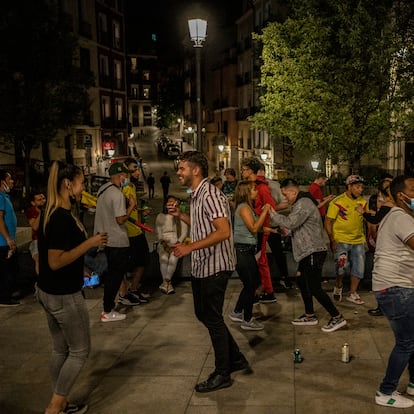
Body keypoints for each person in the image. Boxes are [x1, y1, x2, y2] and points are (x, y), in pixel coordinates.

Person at [171, 151, 250, 393]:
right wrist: (181, 215)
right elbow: (202, 224)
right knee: (203, 314)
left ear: (196, 170)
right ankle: (235, 358)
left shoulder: (210, 194)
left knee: (212, 317)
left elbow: (223, 231)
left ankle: (222, 372)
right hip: (202, 265)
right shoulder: (196, 195)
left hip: (215, 266)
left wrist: (189, 247)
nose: (178, 172)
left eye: (182, 168)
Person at [37, 161, 107, 414]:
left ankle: (61, 401)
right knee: (79, 351)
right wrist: (90, 243)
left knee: (61, 349)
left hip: (48, 290)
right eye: (81, 181)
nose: (84, 185)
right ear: (68, 184)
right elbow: (55, 261)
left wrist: (82, 267)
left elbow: (48, 257)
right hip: (63, 294)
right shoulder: (59, 219)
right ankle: (55, 406)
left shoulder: (52, 211)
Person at [269, 179, 347, 332]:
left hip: (313, 251)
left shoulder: (303, 202)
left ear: (293, 191)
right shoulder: (300, 203)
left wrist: (272, 212)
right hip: (306, 252)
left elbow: (291, 222)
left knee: (314, 287)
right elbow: (295, 227)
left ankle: (337, 317)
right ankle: (310, 314)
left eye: (286, 195)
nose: (285, 198)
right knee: (301, 281)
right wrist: (282, 231)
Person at [372, 175, 414, 409]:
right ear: (401, 195)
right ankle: (385, 391)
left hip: (398, 286)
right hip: (396, 288)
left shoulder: (403, 216)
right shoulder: (400, 218)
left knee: (411, 338)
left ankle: (413, 383)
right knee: (406, 342)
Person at [94, 162, 136, 322]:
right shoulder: (117, 195)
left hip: (105, 239)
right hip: (117, 240)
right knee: (115, 277)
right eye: (126, 175)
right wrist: (131, 206)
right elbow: (120, 219)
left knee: (112, 275)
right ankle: (108, 309)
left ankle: (108, 307)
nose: (127, 178)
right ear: (121, 176)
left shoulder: (102, 190)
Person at [229, 180, 271, 331]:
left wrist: (274, 230)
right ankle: (247, 319)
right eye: (254, 189)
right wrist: (265, 211)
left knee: (251, 283)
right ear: (246, 192)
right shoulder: (244, 207)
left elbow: (256, 227)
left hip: (246, 251)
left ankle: (237, 312)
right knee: (250, 285)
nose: (256, 191)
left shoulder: (247, 207)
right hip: (242, 251)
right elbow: (254, 227)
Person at [325, 174, 367, 304]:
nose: (360, 190)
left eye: (361, 187)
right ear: (349, 186)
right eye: (357, 187)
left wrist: (364, 213)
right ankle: (338, 285)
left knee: (359, 268)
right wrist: (332, 239)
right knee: (341, 266)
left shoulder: (363, 202)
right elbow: (328, 221)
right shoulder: (337, 202)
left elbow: (368, 219)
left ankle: (353, 292)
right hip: (341, 240)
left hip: (358, 240)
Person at [241, 157, 277, 302]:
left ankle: (263, 291)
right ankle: (262, 290)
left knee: (258, 261)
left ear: (250, 170)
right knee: (258, 260)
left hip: (259, 230)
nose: (242, 172)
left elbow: (270, 206)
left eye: (244, 170)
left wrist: (258, 214)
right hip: (255, 228)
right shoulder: (253, 185)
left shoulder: (261, 187)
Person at [356, 177, 394, 316]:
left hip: (388, 250)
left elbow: (374, 221)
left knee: (382, 279)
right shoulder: (401, 206)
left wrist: (363, 212)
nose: (379, 201)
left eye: (379, 197)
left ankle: (383, 307)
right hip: (393, 249)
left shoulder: (388, 206)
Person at [118, 158, 151, 306]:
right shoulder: (124, 188)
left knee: (142, 260)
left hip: (136, 230)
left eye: (138, 169)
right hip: (128, 232)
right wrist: (132, 207)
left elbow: (131, 208)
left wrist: (140, 212)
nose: (138, 172)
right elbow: (121, 213)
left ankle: (133, 289)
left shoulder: (131, 185)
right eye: (134, 169)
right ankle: (124, 293)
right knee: (126, 265)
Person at [155, 195, 189, 294]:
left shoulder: (179, 216)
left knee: (173, 259)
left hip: (176, 240)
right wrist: (164, 244)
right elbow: (158, 232)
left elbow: (184, 232)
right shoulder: (160, 216)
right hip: (164, 241)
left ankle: (166, 282)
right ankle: (167, 284)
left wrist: (178, 243)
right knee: (164, 259)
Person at [0, 169, 20, 306]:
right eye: (9, 180)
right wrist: (7, 238)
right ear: (2, 182)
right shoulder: (0, 197)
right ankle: (3, 298)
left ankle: (7, 295)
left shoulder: (4, 197)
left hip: (7, 241)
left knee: (10, 269)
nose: (12, 182)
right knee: (5, 271)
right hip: (2, 242)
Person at [25, 190, 46, 275]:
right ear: (33, 203)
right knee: (38, 259)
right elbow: (34, 227)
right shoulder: (31, 211)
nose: (42, 201)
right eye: (39, 200)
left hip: (47, 239)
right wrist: (41, 213)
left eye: (43, 199)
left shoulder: (49, 209)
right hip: (37, 240)